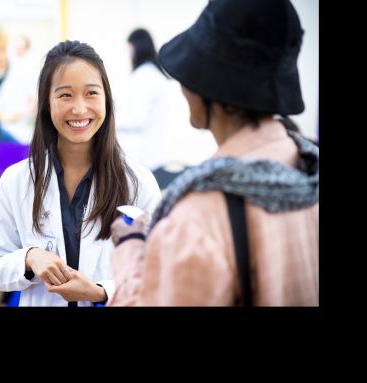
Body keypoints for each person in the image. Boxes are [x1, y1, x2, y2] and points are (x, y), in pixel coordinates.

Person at [108, 0, 319, 306]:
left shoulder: (198, 218)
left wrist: (130, 247)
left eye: (190, 74)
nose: (183, 85)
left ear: (210, 88)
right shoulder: (306, 169)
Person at [0, 40, 161, 307]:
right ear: (46, 102)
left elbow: (156, 273)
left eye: (91, 93)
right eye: (65, 95)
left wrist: (101, 292)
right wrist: (30, 257)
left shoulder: (138, 183)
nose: (79, 109)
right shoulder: (16, 181)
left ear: (107, 99)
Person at [115, 28, 177, 171]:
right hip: (153, 157)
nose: (129, 54)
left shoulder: (144, 76)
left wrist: (106, 118)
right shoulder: (153, 74)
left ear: (136, 48)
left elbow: (137, 118)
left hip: (143, 160)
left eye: (129, 48)